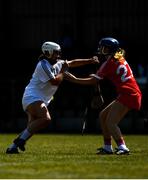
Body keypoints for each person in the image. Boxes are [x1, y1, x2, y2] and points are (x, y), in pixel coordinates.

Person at [6, 41, 99, 154]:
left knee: (32, 126)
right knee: (45, 119)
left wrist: (89, 61)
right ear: (48, 53)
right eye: (56, 53)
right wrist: (63, 71)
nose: (58, 55)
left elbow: (73, 62)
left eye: (59, 53)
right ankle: (19, 140)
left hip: (40, 98)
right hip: (32, 96)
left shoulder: (58, 63)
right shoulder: (43, 65)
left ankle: (13, 147)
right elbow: (54, 81)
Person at [64, 37, 142, 155]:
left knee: (111, 122)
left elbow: (93, 81)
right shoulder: (119, 56)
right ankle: (107, 147)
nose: (101, 50)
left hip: (129, 94)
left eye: (104, 48)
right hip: (129, 93)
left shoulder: (108, 63)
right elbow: (114, 60)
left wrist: (74, 79)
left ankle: (123, 147)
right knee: (103, 116)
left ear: (110, 50)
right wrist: (98, 71)